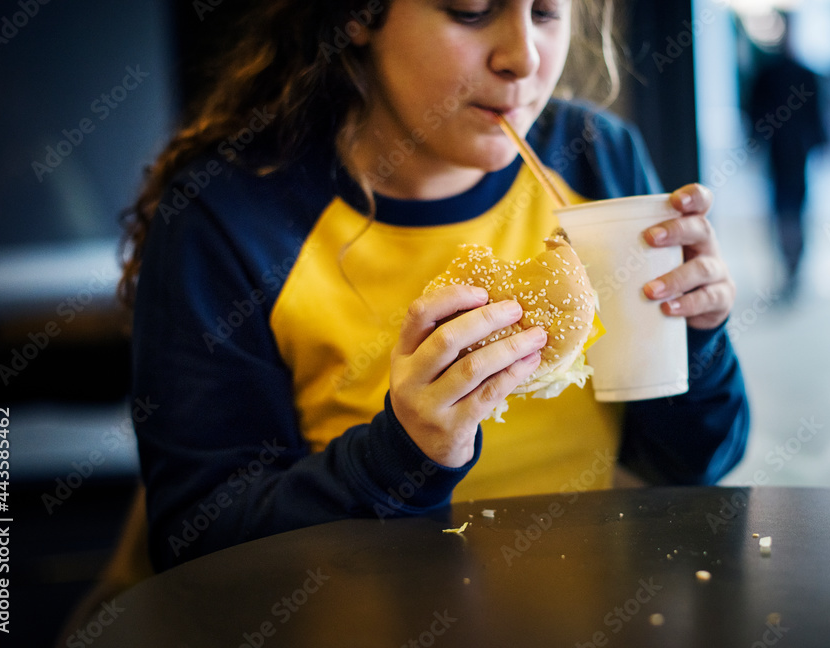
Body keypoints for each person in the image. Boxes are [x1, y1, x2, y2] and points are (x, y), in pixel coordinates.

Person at [120, 0, 750, 572]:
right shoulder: (227, 220)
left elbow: (696, 463)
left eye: (547, 12)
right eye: (472, 11)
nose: (523, 57)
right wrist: (402, 454)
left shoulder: (597, 155)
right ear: (357, 15)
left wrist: (695, 338)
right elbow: (196, 543)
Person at [746, 14, 828, 302]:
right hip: (781, 155)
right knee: (784, 209)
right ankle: (788, 265)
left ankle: (795, 266)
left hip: (796, 154)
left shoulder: (801, 74)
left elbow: (817, 113)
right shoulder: (770, 74)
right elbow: (755, 113)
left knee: (795, 209)